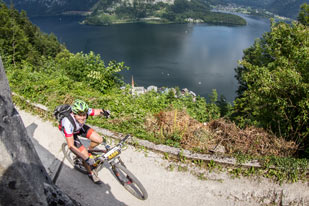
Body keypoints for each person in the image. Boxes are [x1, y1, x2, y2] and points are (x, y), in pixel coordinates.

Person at [59, 99, 110, 184]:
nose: (83, 117)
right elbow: (71, 146)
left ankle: (89, 150)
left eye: (84, 115)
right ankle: (91, 173)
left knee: (99, 139)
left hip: (79, 127)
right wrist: (86, 158)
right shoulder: (67, 123)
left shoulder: (83, 111)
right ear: (74, 114)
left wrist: (104, 112)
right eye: (80, 115)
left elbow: (95, 111)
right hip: (71, 132)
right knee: (85, 156)